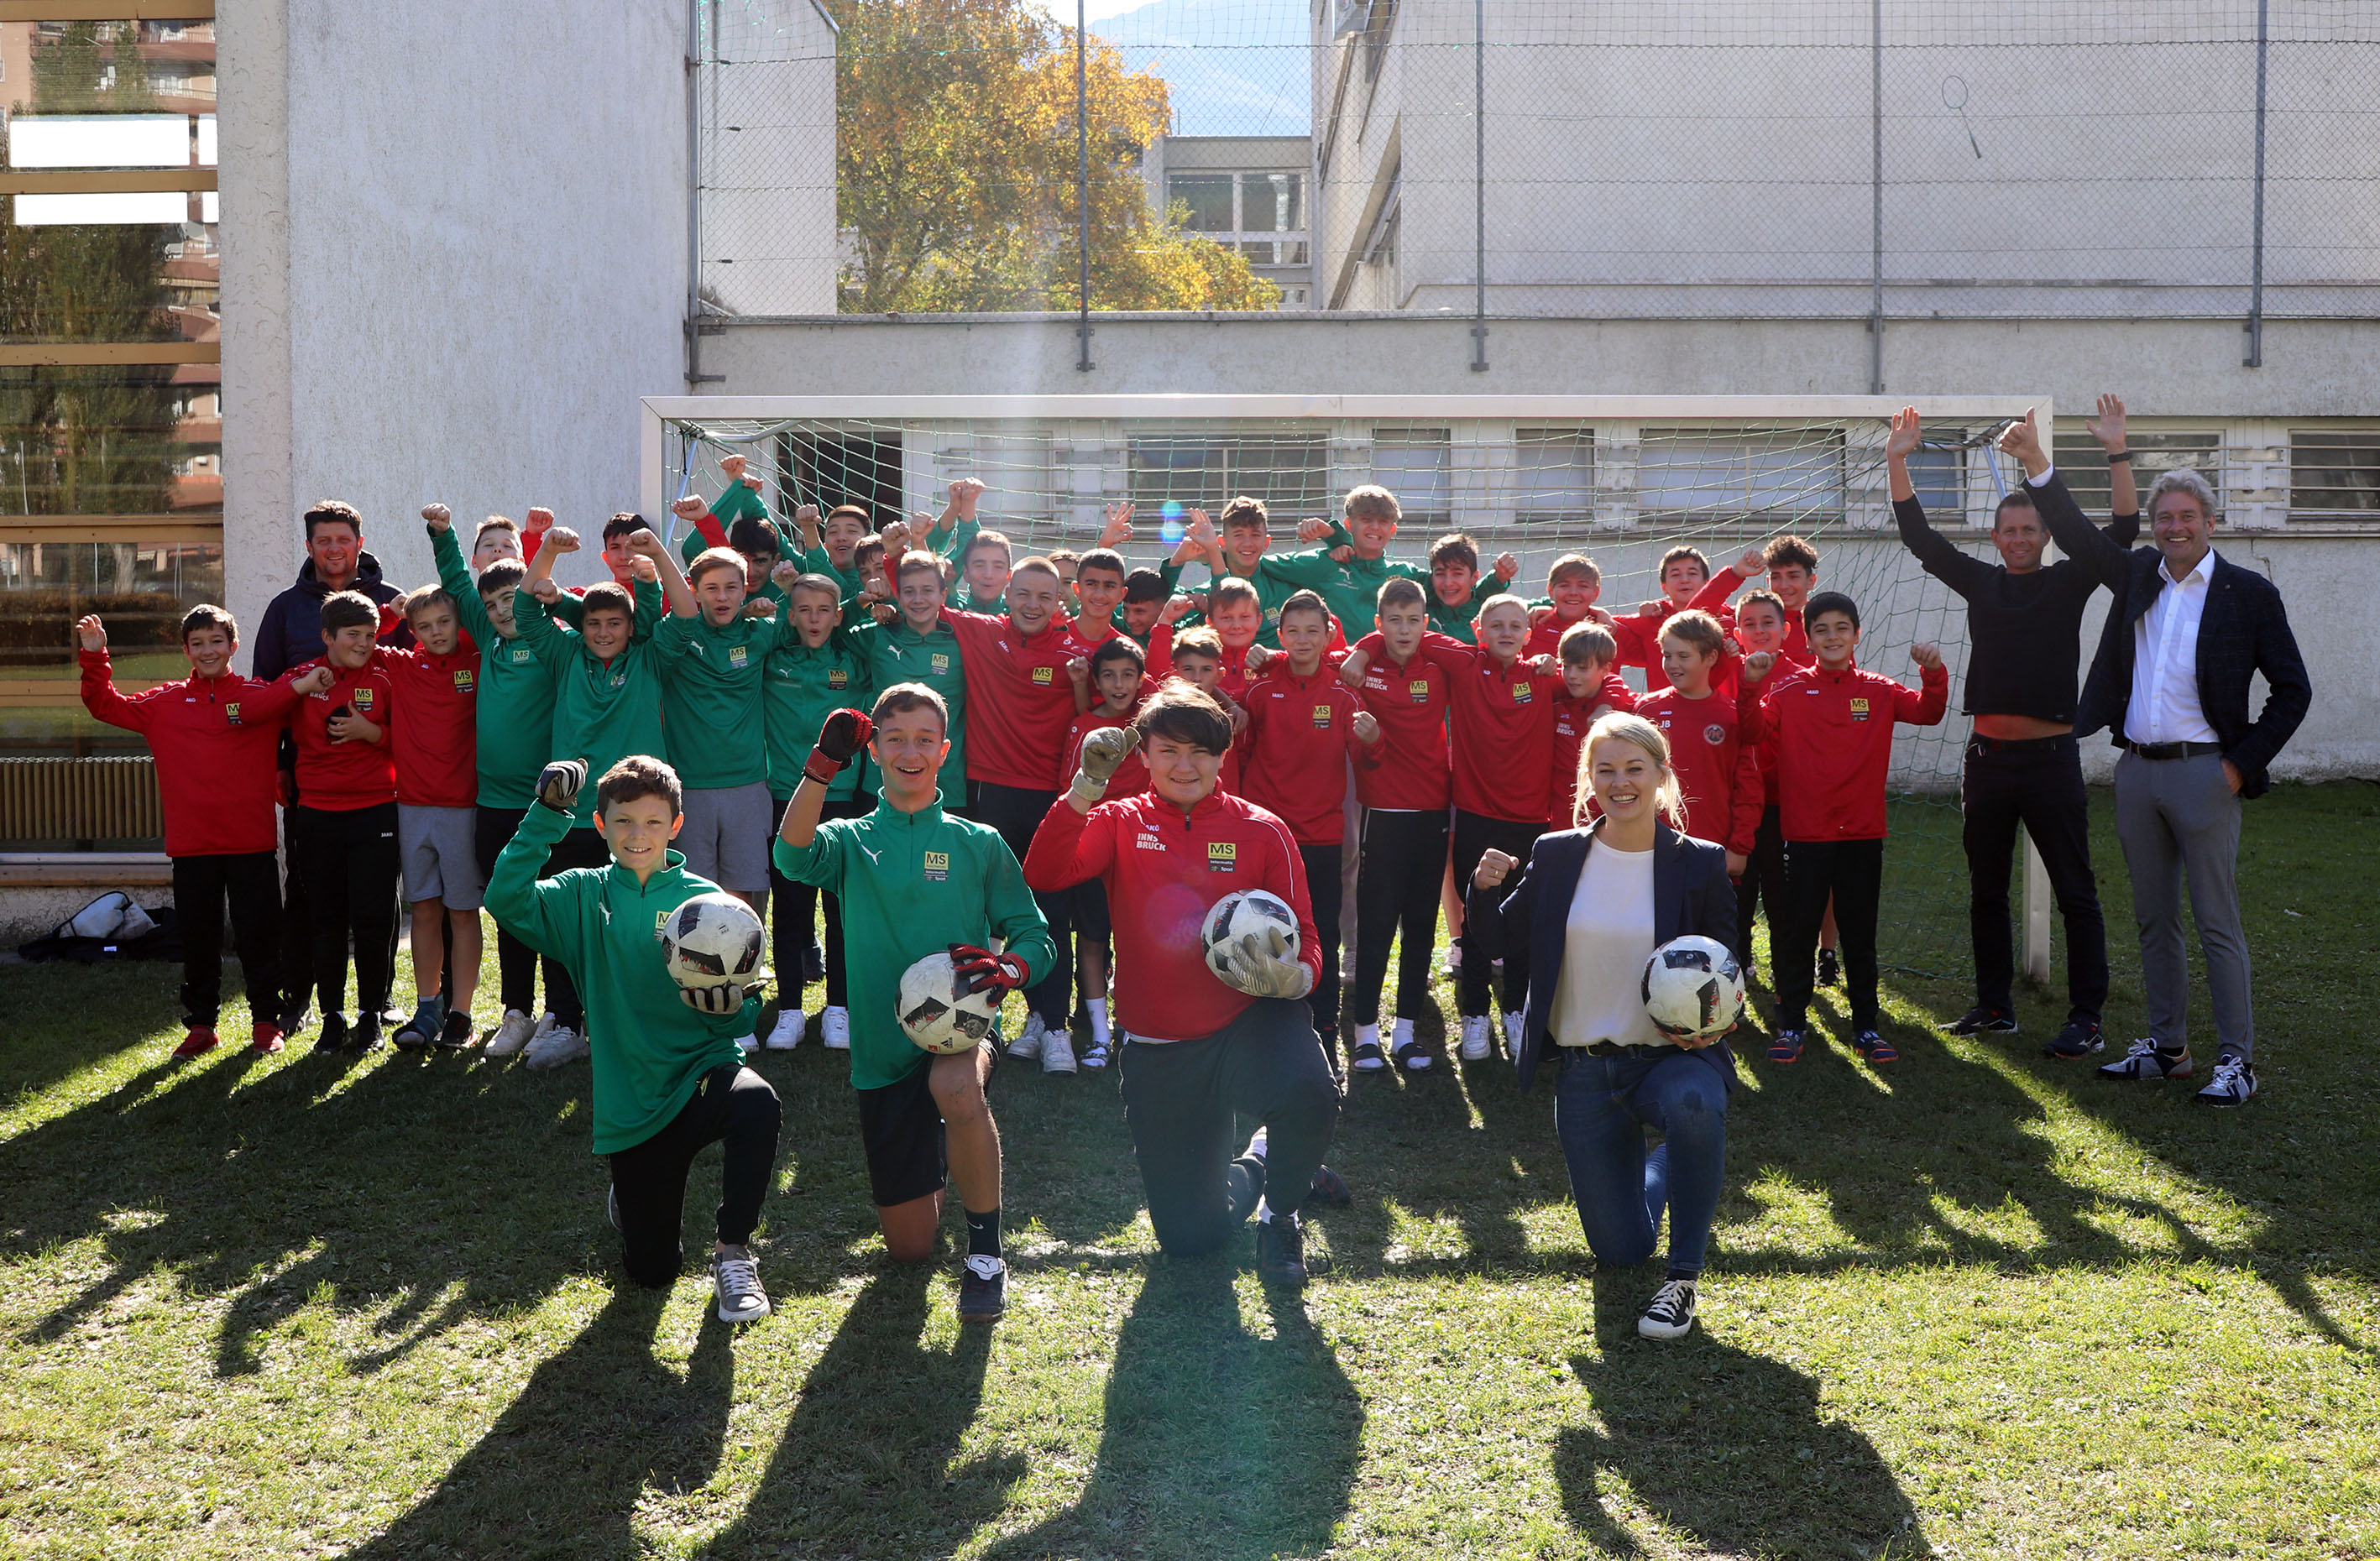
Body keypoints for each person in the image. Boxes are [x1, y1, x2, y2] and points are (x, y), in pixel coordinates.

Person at [2001, 410, 2312, 1106]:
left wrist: (2240, 766)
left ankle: (2237, 1061)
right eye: (2163, 516)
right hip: (2137, 772)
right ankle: (2168, 1048)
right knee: (2152, 919)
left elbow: (2293, 690)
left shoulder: (2248, 593)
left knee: (2215, 923)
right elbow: (2079, 536)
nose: (2174, 526)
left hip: (2208, 775)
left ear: (2210, 520)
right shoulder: (2137, 574)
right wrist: (2036, 463)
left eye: (2186, 515)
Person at [1023, 684, 1349, 1287]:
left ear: (1222, 756)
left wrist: (1297, 975)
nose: (1183, 765)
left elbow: (1305, 932)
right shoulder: (1119, 820)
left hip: (1250, 1021)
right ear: (1141, 755)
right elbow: (1044, 872)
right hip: (1162, 1046)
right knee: (1190, 1239)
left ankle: (1281, 1217)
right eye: (1168, 750)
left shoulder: (1262, 829)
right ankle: (1260, 1161)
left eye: (1199, 751)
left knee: (1311, 1090)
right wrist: (1083, 789)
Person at [776, 687, 1054, 1319]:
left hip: (961, 1031)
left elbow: (1034, 932)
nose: (910, 751)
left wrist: (1011, 966)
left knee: (956, 1088)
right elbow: (789, 857)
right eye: (895, 738)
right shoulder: (848, 839)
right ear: (872, 752)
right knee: (908, 1249)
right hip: (882, 1049)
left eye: (925, 739)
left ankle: (986, 1252)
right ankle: (947, 1146)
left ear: (944, 751)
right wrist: (820, 767)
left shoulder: (977, 842)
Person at [1465, 713, 1740, 1340]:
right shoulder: (1557, 854)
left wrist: (1715, 1026)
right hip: (1585, 1067)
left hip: (1668, 1059)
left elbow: (1730, 964)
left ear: (1661, 776)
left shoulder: (1698, 863)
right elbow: (1501, 937)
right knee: (1619, 1251)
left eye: (1634, 769)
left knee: (1695, 1106)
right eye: (1605, 769)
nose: (1620, 782)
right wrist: (1481, 889)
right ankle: (1674, 1155)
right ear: (1588, 778)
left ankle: (1682, 1280)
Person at [489, 754, 781, 1323]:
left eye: (652, 821)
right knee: (651, 1274)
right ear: (600, 826)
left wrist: (727, 1014)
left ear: (675, 825)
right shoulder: (580, 895)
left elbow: (745, 1014)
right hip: (633, 1103)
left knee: (756, 1106)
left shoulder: (710, 903)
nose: (637, 834)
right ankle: (631, 1196)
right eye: (623, 822)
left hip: (702, 1071)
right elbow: (505, 899)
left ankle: (733, 1253)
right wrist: (545, 816)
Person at [1888, 403, 2139, 1057]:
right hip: (1987, 761)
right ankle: (1993, 1005)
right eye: (2009, 529)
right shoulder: (1980, 582)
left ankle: (2086, 1016)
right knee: (1985, 890)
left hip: (2051, 759)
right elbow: (1918, 536)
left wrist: (2115, 452)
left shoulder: (2068, 581)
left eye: (2030, 528)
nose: (2020, 537)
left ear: (2044, 535)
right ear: (1996, 537)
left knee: (2076, 892)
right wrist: (1897, 460)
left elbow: (2123, 528)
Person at [77, 608, 327, 1057]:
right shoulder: (164, 703)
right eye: (198, 643)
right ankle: (201, 1026)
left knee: (260, 936)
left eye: (217, 641)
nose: (208, 650)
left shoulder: (260, 698)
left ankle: (266, 1022)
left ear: (233, 646)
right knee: (198, 939)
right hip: (192, 846)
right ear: (186, 650)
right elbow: (104, 704)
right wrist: (96, 657)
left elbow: (312, 680)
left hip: (251, 843)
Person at [1338, 595, 1564, 1062]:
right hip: (1458, 813)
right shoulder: (1462, 662)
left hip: (1507, 817)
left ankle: (1507, 1017)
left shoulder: (1544, 677)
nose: (1505, 632)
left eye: (1515, 625)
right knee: (1464, 921)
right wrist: (1363, 649)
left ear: (1528, 631)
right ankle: (1461, 1020)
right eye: (1495, 624)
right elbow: (1392, 631)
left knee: (1507, 922)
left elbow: (1596, 679)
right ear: (1478, 630)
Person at [1750, 592, 1948, 1066]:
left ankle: (1866, 1028)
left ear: (1857, 634)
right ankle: (1792, 1024)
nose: (1833, 636)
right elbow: (1750, 730)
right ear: (1809, 639)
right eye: (1822, 629)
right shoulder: (1789, 692)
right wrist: (1750, 686)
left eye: (1842, 627)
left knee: (1860, 934)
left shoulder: (1879, 689)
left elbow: (1928, 711)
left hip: (1861, 835)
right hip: (1804, 835)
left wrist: (1934, 672)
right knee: (1797, 933)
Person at [510, 523, 670, 1068]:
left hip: (634, 819)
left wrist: (648, 574)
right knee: (566, 922)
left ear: (630, 626)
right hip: (571, 816)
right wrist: (548, 553)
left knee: (635, 924)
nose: (604, 633)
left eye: (615, 624)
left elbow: (660, 616)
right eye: (595, 623)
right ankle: (565, 1020)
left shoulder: (648, 658)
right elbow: (528, 610)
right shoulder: (565, 655)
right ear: (582, 625)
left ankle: (631, 1022)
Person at [252, 499, 410, 1034]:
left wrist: (377, 735)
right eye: (324, 541)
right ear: (310, 547)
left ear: (359, 544)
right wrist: (278, 765)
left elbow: (413, 685)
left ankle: (378, 1000)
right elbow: (265, 690)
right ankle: (303, 997)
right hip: (309, 780)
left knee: (376, 899)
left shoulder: (392, 604)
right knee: (310, 895)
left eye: (343, 539)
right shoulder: (285, 609)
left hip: (376, 788)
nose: (334, 549)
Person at [939, 556, 1096, 1073]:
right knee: (986, 916)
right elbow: (918, 592)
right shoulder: (981, 631)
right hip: (992, 795)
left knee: (1049, 914)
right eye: (1024, 593)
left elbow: (1101, 712)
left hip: (1052, 800)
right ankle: (978, 1022)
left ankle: (1050, 1026)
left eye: (1045, 597)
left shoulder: (1078, 652)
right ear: (1007, 592)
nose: (1033, 605)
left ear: (1061, 602)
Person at [428, 503, 570, 1057]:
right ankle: (517, 1011)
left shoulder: (555, 643)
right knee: (509, 907)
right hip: (494, 803)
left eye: (511, 599)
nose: (500, 610)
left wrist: (541, 551)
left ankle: (563, 1010)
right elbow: (460, 585)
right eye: (491, 605)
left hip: (548, 806)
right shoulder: (488, 640)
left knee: (554, 907)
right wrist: (443, 532)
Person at [1238, 591, 1383, 1062]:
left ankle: (1322, 1022)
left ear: (1328, 636)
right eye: (1293, 631)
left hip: (1321, 834)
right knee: (1261, 928)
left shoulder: (1342, 693)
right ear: (1280, 635)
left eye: (1312, 631)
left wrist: (1373, 741)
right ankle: (1262, 1017)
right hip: (1268, 835)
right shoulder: (1260, 687)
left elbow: (1369, 761)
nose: (1302, 640)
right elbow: (1242, 750)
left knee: (1320, 929)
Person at [280, 590, 405, 1053]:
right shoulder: (304, 677)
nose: (365, 644)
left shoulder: (387, 675)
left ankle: (370, 1014)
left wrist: (371, 733)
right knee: (326, 919)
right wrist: (299, 686)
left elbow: (415, 740)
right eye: (353, 635)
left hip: (376, 810)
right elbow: (261, 712)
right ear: (327, 636)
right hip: (317, 814)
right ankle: (332, 1017)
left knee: (373, 918)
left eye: (371, 635)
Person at [757, 572, 873, 1051]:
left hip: (842, 798)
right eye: (803, 610)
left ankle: (839, 1009)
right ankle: (789, 1010)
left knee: (841, 910)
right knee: (791, 905)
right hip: (786, 795)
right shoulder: (774, 658)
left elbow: (874, 631)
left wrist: (868, 607)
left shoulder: (854, 661)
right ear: (790, 616)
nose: (813, 618)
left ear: (838, 616)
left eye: (824, 610)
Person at [1344, 577, 1452, 1072]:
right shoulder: (1364, 667)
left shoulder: (1441, 665)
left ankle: (1405, 1032)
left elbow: (1484, 653)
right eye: (1393, 620)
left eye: (1413, 621)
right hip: (1383, 815)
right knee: (1377, 928)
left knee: (1421, 931)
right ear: (1378, 623)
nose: (1404, 630)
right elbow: (1317, 659)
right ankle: (1365, 1032)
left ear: (1425, 624)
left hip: (1433, 813)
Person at [377, 583, 485, 1050]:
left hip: (463, 806)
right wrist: (389, 613)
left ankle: (461, 1012)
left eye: (444, 621)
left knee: (463, 911)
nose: (436, 632)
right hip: (412, 806)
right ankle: (428, 1007)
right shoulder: (402, 664)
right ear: (412, 630)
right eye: (424, 626)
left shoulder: (477, 661)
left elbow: (498, 629)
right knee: (423, 909)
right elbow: (358, 644)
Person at [649, 542, 776, 932]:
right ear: (694, 590)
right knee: (694, 893)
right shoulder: (677, 636)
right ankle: (693, 967)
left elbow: (822, 610)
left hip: (748, 785)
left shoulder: (762, 633)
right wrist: (654, 555)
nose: (722, 597)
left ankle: (743, 968)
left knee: (744, 892)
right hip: (691, 786)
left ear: (746, 589)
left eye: (731, 587)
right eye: (712, 588)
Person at [1059, 636, 1153, 1068]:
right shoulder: (1082, 725)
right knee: (1093, 941)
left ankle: (1137, 1029)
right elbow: (1071, 793)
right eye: (1109, 675)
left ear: (1141, 678)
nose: (1119, 684)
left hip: (1144, 852)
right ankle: (1099, 1034)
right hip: (1096, 852)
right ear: (1096, 680)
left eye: (1128, 675)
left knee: (1140, 944)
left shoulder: (1152, 722)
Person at [1635, 609, 1763, 897]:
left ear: (1710, 658)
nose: (1673, 664)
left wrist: (1739, 848)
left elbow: (1749, 790)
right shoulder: (1646, 711)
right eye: (1667, 655)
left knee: (1717, 939)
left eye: (1683, 656)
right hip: (1652, 850)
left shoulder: (1732, 717)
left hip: (1714, 852)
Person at [1548, 622, 1635, 834]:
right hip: (1562, 826)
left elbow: (1618, 685)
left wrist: (1605, 707)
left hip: (1611, 827)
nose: (1572, 675)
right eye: (1566, 666)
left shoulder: (1625, 709)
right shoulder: (1557, 705)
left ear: (1605, 668)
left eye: (1582, 668)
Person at [1608, 545, 1715, 693]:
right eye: (1676, 575)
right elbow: (1611, 624)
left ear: (1706, 583)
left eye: (1692, 573)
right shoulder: (1655, 619)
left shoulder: (1723, 618)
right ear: (1664, 587)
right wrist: (1599, 612)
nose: (1684, 580)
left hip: (1714, 711)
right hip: (1662, 711)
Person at [1424, 532, 1519, 644]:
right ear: (1431, 578)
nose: (1448, 583)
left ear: (1474, 578)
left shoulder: (1490, 614)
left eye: (1457, 574)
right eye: (1440, 574)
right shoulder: (1422, 612)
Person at [1522, 554, 1608, 658]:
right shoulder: (1529, 626)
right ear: (1550, 591)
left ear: (1596, 593)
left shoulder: (1609, 628)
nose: (1573, 592)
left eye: (1583, 586)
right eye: (1564, 585)